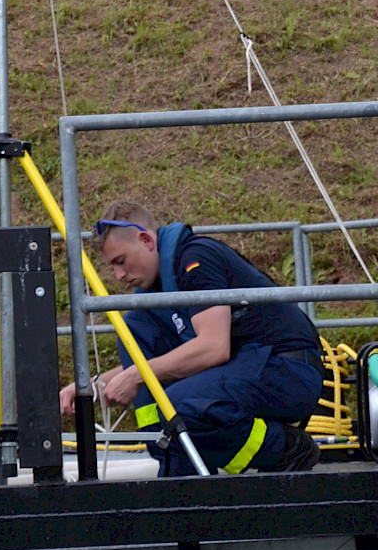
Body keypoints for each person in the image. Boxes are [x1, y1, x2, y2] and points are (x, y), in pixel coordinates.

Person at [59, 203, 324, 476]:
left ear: (146, 240)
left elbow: (213, 347)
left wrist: (137, 375)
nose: (118, 276)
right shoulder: (157, 292)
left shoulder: (194, 259)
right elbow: (161, 361)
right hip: (247, 367)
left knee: (181, 405)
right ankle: (179, 476)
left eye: (120, 261)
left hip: (288, 369)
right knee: (136, 327)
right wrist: (92, 385)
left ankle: (284, 449)